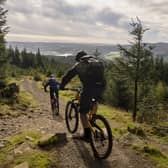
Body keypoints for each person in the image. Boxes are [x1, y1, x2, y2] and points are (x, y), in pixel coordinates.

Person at [60, 51, 106, 142]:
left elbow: (68, 76)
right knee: (94, 100)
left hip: (89, 87)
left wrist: (62, 86)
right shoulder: (96, 61)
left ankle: (87, 135)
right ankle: (93, 118)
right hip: (102, 86)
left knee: (82, 112)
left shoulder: (79, 64)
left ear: (79, 59)